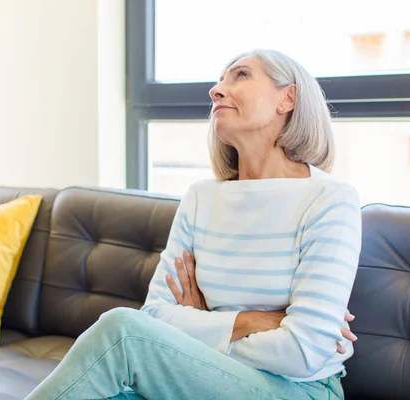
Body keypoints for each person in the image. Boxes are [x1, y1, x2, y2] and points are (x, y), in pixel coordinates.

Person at [25, 49, 362, 400]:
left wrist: (197, 330)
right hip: (200, 380)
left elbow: (303, 353)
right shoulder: (201, 198)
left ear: (287, 98)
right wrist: (248, 321)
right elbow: (155, 313)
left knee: (122, 333)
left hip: (297, 391)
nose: (216, 90)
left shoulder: (329, 199)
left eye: (240, 75)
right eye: (220, 80)